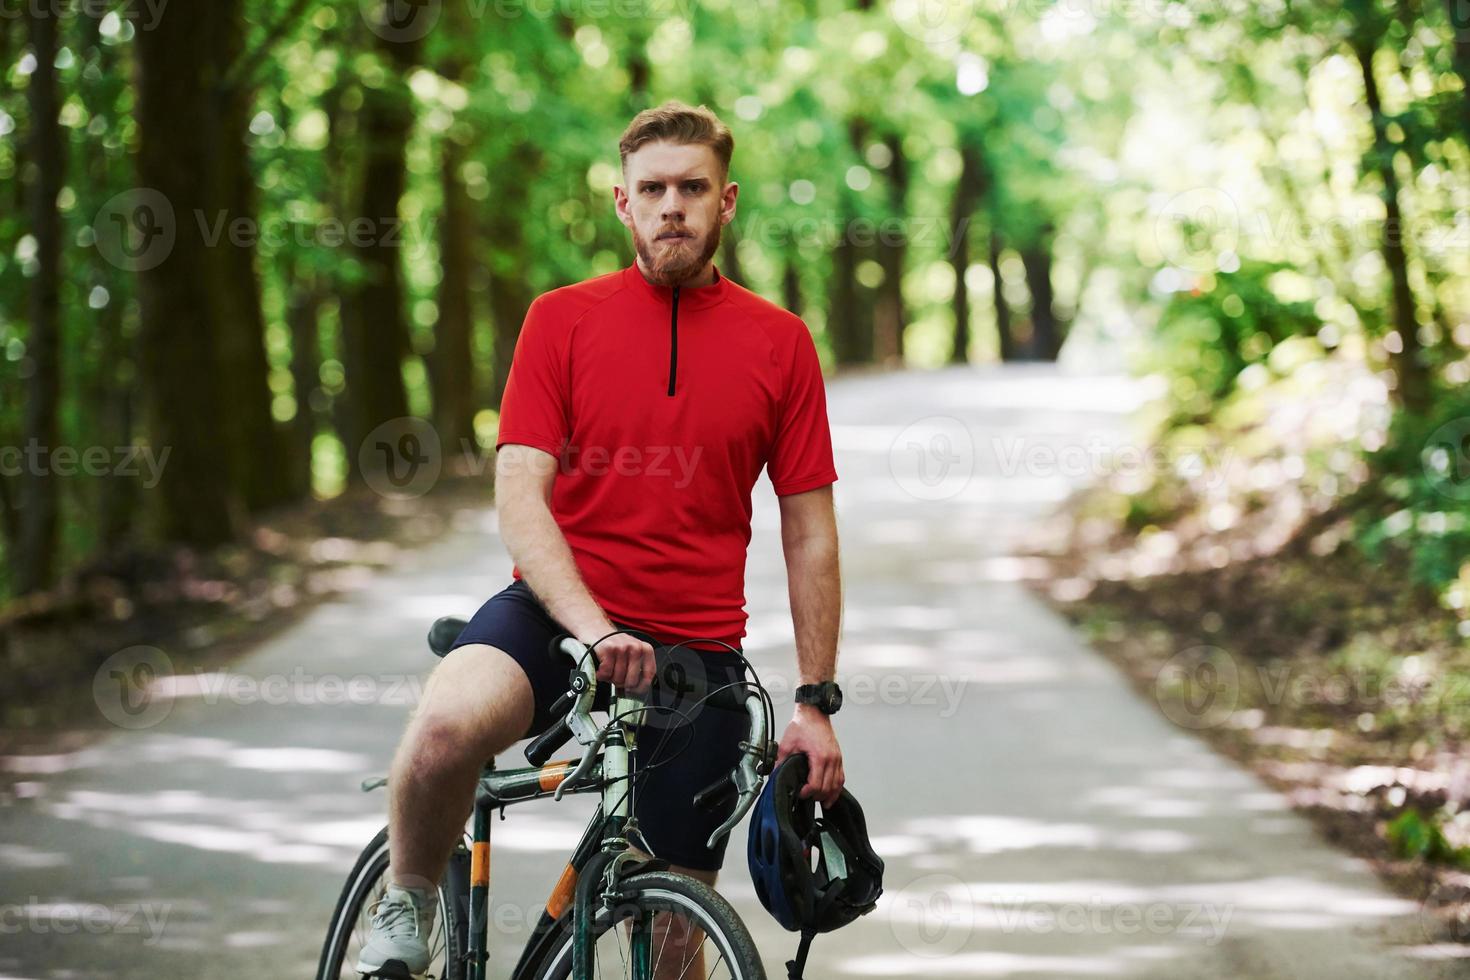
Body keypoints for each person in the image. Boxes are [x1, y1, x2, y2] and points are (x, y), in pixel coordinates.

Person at [357, 101, 847, 978]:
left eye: (692, 188)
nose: (672, 207)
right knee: (440, 734)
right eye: (652, 189)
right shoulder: (562, 320)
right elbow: (519, 495)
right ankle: (408, 897)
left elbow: (809, 529)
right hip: (552, 618)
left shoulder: (781, 343)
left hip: (696, 655)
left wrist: (814, 701)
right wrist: (593, 626)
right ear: (622, 203)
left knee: (670, 945)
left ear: (725, 201)